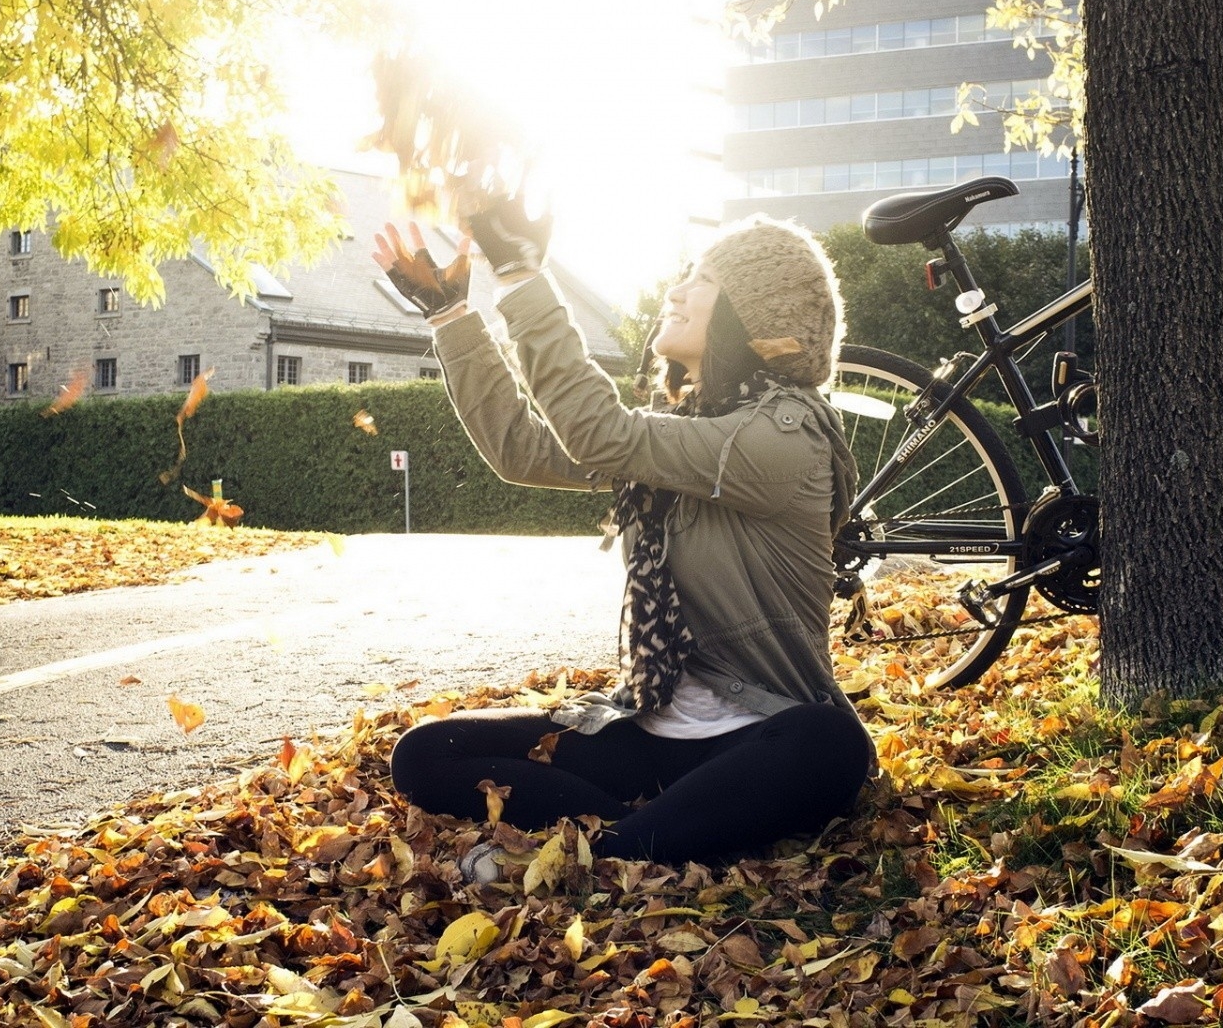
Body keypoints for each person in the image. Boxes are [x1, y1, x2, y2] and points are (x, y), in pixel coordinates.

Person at [372, 199, 873, 874]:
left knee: (830, 741)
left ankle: (602, 855)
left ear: (753, 311)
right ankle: (651, 827)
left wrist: (521, 275)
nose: (677, 291)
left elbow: (598, 429)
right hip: (647, 731)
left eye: (702, 280)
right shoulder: (684, 432)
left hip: (760, 737)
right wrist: (452, 314)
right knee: (426, 752)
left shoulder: (783, 436)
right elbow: (522, 449)